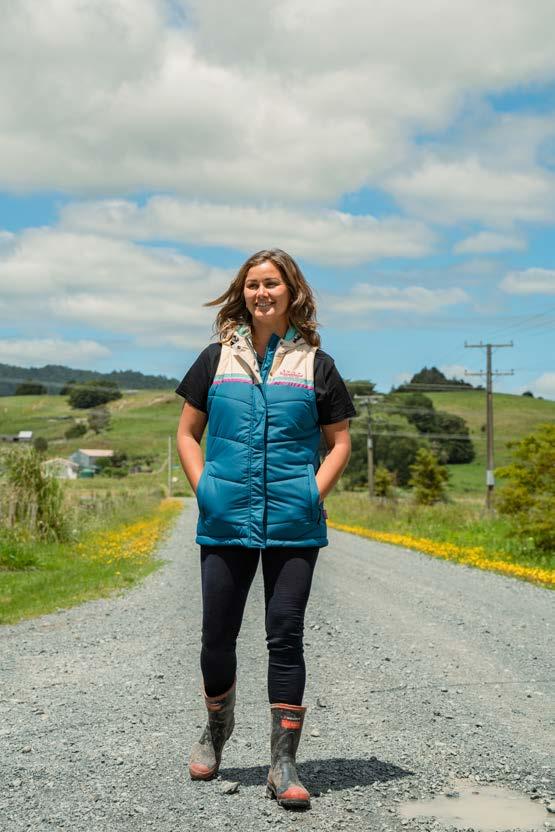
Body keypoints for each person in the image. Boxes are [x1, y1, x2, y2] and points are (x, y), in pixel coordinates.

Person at [175, 248, 355, 810]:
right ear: (242, 293)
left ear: (291, 291)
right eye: (252, 284)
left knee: (285, 636)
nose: (261, 293)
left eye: (271, 283)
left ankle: (283, 763)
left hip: (294, 523)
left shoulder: (317, 365)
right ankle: (216, 729)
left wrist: (311, 493)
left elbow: (339, 443)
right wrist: (205, 488)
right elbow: (186, 433)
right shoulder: (215, 359)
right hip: (224, 518)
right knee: (216, 635)